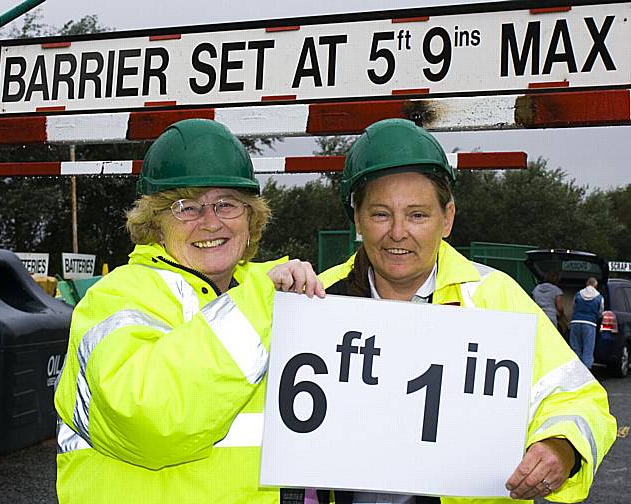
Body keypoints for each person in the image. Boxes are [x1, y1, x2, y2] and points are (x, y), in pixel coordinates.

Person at [316, 119, 616, 504]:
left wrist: (561, 447)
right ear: (357, 219)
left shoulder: (496, 299)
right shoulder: (318, 300)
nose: (397, 232)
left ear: (448, 219)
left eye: (418, 215)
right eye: (380, 214)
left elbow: (578, 398)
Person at [54, 119, 324, 504]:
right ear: (155, 225)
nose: (210, 221)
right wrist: (261, 300)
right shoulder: (114, 298)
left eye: (227, 204)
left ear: (250, 219)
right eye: (187, 207)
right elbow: (152, 420)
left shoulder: (269, 292)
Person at [569, 277, 604, 369]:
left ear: (587, 284)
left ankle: (575, 369)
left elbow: (573, 307)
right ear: (595, 285)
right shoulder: (599, 297)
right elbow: (600, 312)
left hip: (575, 322)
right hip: (590, 324)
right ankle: (586, 373)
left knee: (575, 348)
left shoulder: (578, 294)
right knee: (588, 350)